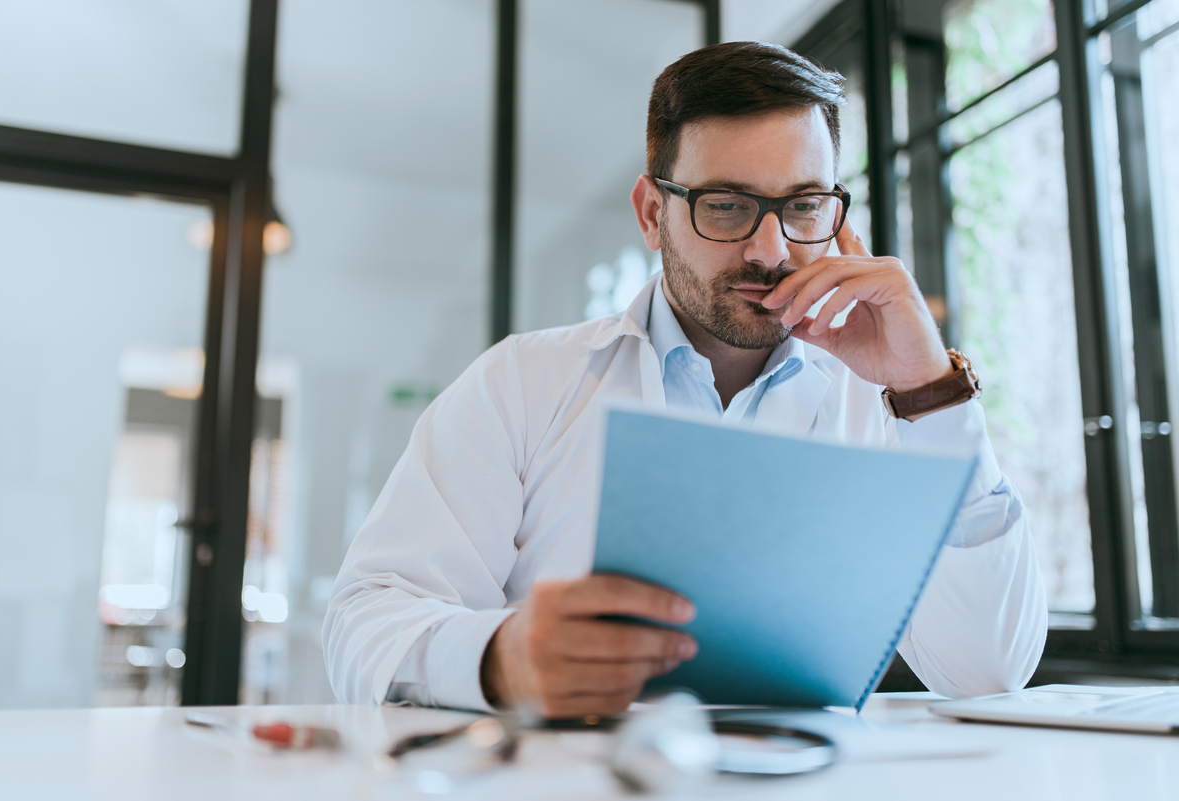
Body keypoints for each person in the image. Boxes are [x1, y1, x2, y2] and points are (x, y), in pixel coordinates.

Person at [323, 41, 1048, 718]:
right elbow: (366, 619)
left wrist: (929, 392)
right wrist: (498, 659)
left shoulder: (888, 406)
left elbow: (987, 672)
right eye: (727, 206)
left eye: (802, 207)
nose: (770, 250)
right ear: (651, 213)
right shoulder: (523, 382)